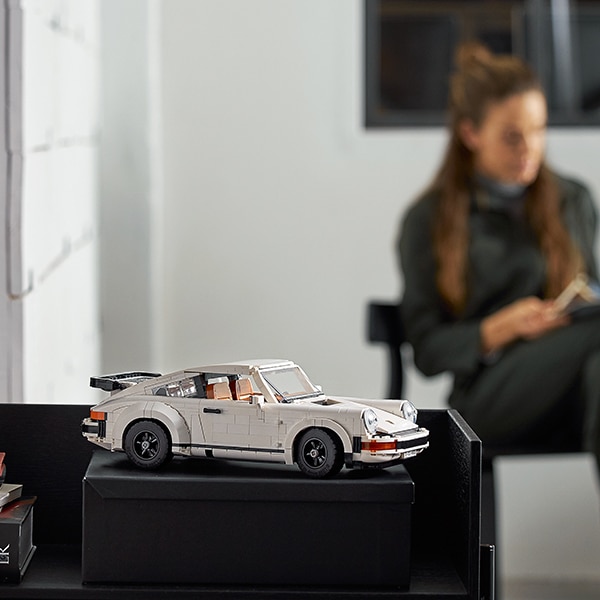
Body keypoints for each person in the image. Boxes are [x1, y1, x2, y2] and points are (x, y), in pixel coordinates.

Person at [397, 42, 600, 474]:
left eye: (539, 130)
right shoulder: (429, 219)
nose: (529, 148)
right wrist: (501, 328)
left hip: (574, 387)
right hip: (488, 399)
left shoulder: (573, 200)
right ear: (471, 134)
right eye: (512, 136)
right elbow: (427, 351)